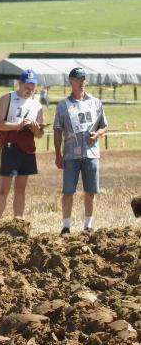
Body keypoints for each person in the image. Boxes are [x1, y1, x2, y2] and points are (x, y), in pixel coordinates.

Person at [54, 67, 107, 235]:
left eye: (84, 79)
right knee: (68, 191)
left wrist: (97, 134)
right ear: (71, 81)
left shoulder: (96, 102)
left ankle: (88, 225)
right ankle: (66, 226)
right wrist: (57, 154)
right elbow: (57, 130)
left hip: (91, 153)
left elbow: (104, 125)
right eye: (78, 79)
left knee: (90, 191)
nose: (82, 82)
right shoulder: (63, 105)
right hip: (70, 154)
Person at [0, 69, 44, 218]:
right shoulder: (7, 98)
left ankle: (18, 222)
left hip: (27, 149)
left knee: (21, 189)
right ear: (19, 83)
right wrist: (18, 125)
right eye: (27, 87)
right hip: (10, 147)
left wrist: (35, 129)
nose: (29, 91)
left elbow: (40, 134)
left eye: (32, 88)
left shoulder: (37, 105)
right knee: (4, 188)